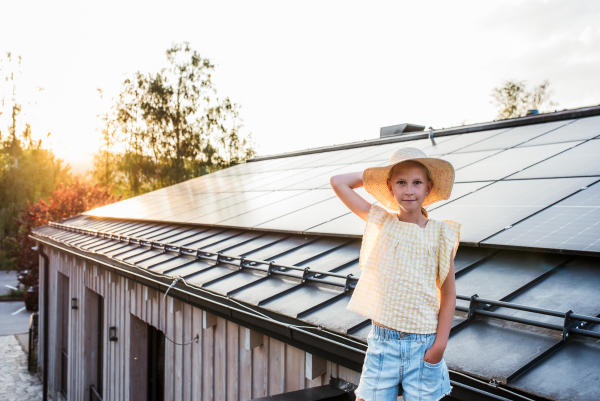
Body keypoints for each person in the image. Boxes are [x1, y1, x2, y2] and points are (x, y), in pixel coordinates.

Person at [330, 147, 459, 401]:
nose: (409, 190)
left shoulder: (441, 234)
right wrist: (375, 178)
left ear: (428, 187)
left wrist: (440, 345)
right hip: (383, 345)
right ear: (390, 187)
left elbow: (449, 294)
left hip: (424, 345)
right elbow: (338, 182)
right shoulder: (382, 221)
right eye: (401, 182)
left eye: (416, 183)